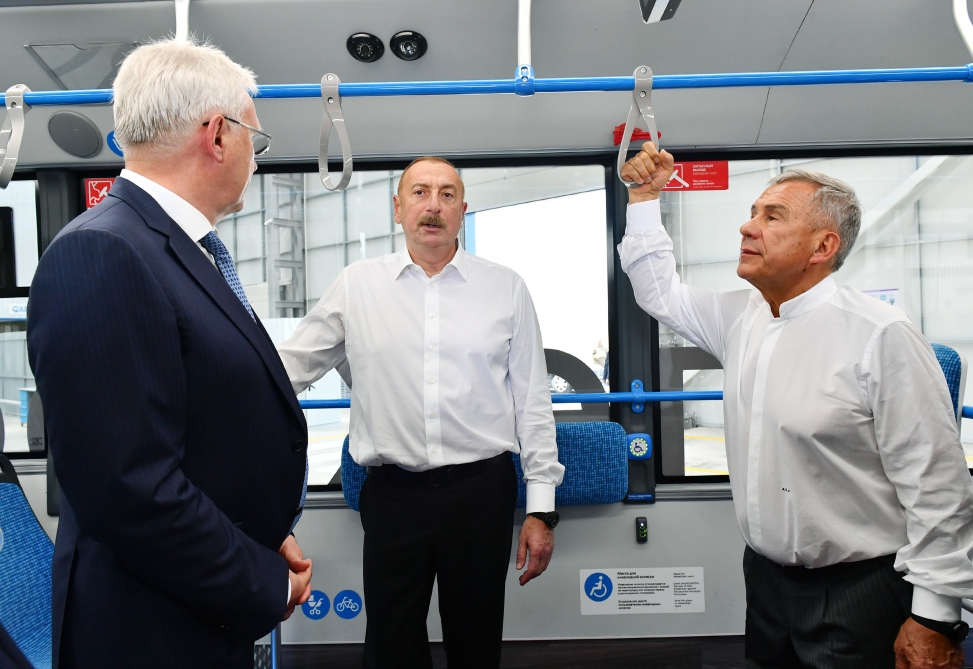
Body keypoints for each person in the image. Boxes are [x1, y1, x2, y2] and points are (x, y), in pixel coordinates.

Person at [618, 142, 973, 669]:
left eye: (773, 216)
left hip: (861, 589)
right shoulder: (742, 317)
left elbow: (937, 485)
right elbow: (658, 293)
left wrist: (935, 617)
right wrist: (645, 198)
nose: (747, 227)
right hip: (766, 583)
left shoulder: (881, 335)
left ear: (822, 246)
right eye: (752, 213)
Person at [27, 39, 312, 668]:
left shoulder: (175, 250)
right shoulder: (103, 252)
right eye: (255, 141)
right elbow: (128, 488)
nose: (256, 160)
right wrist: (262, 580)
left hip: (196, 605)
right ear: (217, 135)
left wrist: (263, 538)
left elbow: (200, 430)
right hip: (149, 632)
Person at [277, 156, 564, 668]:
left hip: (481, 492)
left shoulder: (506, 288)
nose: (433, 206)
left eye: (447, 194)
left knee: (475, 642)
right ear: (397, 208)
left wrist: (541, 508)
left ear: (463, 210)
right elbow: (288, 368)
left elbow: (533, 403)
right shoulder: (357, 285)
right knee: (390, 645)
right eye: (420, 192)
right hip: (393, 495)